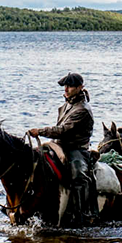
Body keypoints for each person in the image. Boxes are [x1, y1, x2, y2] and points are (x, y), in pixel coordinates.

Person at [28, 72, 97, 226]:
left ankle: (83, 214)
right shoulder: (66, 105)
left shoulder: (82, 110)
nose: (66, 89)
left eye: (70, 86)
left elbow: (63, 130)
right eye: (65, 86)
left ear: (80, 87)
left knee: (79, 176)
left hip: (76, 149)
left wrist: (40, 131)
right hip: (59, 145)